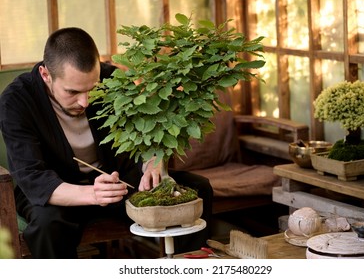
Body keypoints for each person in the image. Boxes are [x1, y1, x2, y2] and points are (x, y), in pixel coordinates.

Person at [0, 27, 213, 258]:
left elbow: (147, 133)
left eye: (92, 89)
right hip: (57, 191)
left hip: (115, 179)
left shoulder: (113, 80)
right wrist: (92, 194)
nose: (85, 102)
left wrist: (153, 164)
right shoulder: (16, 100)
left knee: (197, 189)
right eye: (72, 92)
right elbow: (32, 177)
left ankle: (189, 268)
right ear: (45, 75)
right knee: (47, 225)